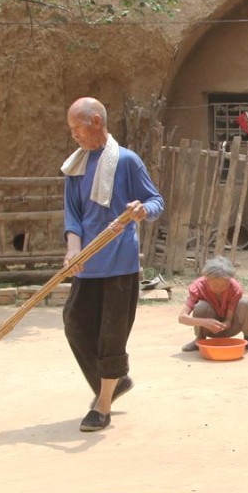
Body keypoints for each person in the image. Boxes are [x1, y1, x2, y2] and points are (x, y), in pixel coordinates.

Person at [61, 97, 164, 431]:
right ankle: (114, 381)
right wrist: (72, 250)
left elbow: (156, 200)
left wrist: (141, 210)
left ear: (95, 121)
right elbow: (73, 216)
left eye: (77, 127)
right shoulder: (74, 167)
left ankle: (102, 406)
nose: (73, 135)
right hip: (88, 264)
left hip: (120, 265)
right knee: (74, 322)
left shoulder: (127, 162)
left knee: (111, 337)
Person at [178, 256, 248, 352]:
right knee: (201, 306)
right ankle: (200, 339)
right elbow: (182, 318)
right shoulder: (198, 287)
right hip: (208, 329)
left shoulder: (234, 287)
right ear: (207, 279)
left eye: (224, 285)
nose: (220, 288)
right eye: (215, 284)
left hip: (232, 328)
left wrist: (225, 324)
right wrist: (205, 322)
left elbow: (229, 320)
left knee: (247, 303)